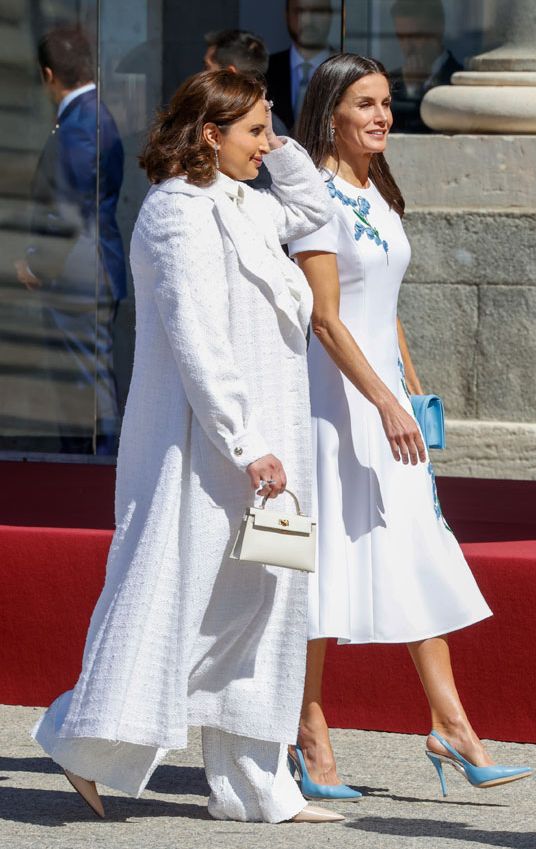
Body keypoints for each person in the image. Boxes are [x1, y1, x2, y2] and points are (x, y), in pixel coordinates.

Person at [30, 69, 343, 825]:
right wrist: (245, 441)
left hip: (266, 443)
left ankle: (251, 783)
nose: (266, 146)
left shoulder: (245, 201)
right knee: (180, 598)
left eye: (269, 130)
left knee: (261, 604)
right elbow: (197, 339)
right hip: (205, 449)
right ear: (210, 135)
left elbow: (314, 209)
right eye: (253, 133)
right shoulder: (177, 212)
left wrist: (277, 135)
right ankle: (84, 733)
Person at [287, 53, 533, 800]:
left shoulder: (376, 188)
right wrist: (383, 401)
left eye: (387, 101)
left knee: (418, 549)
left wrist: (412, 387)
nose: (381, 115)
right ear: (329, 111)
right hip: (333, 404)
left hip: (389, 401)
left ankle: (451, 724)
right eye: (364, 103)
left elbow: (382, 305)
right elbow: (325, 321)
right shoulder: (317, 197)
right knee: (326, 564)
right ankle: (308, 729)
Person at [15, 26, 126, 454]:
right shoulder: (90, 115)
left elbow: (69, 209)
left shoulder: (82, 122)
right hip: (84, 269)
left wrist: (36, 262)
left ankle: (101, 471)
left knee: (89, 385)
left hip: (78, 272)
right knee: (82, 387)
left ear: (48, 75)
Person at [203, 29, 287, 188]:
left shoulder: (274, 129)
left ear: (229, 74)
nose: (263, 145)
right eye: (255, 131)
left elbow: (264, 192)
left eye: (207, 67)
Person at [389, 0, 462, 133]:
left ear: (437, 30)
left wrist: (413, 91)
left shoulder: (459, 79)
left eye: (415, 36)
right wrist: (411, 89)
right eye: (401, 37)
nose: (407, 46)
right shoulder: (391, 81)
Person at [266, 0, 335, 133]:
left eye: (317, 11)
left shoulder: (348, 72)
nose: (307, 20)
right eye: (300, 11)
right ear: (287, 15)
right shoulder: (265, 70)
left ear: (330, 15)